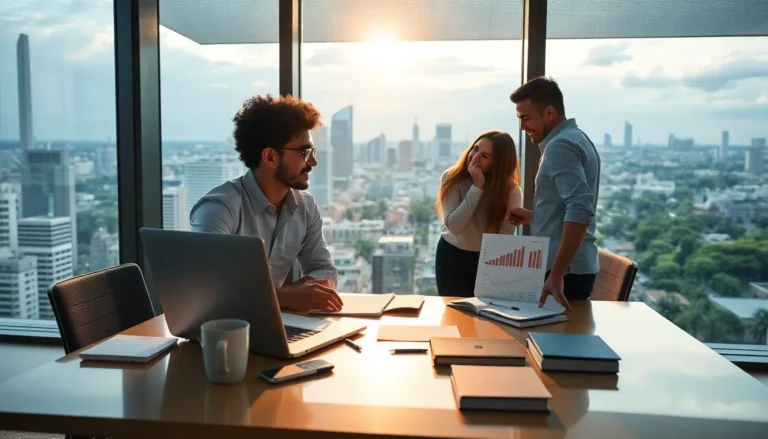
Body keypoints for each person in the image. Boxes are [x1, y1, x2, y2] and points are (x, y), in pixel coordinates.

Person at [189, 94, 343, 313]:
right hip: (223, 333)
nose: (313, 162)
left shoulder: (305, 207)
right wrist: (287, 297)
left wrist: (301, 294)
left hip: (273, 324)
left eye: (312, 151)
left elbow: (324, 269)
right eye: (304, 152)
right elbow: (210, 290)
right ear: (270, 157)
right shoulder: (218, 209)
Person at [507, 77, 600, 311]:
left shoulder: (559, 146)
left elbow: (580, 209)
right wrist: (535, 216)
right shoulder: (578, 137)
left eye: (525, 118)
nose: (522, 127)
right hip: (572, 267)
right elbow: (569, 204)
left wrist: (557, 274)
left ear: (549, 112)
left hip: (564, 271)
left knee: (553, 343)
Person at [434, 130, 523, 297]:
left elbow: (504, 237)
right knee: (454, 314)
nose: (474, 157)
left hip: (490, 260)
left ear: (498, 163)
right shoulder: (452, 178)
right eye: (475, 149)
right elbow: (454, 226)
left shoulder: (511, 190)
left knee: (487, 317)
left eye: (485, 156)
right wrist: (477, 187)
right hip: (451, 256)